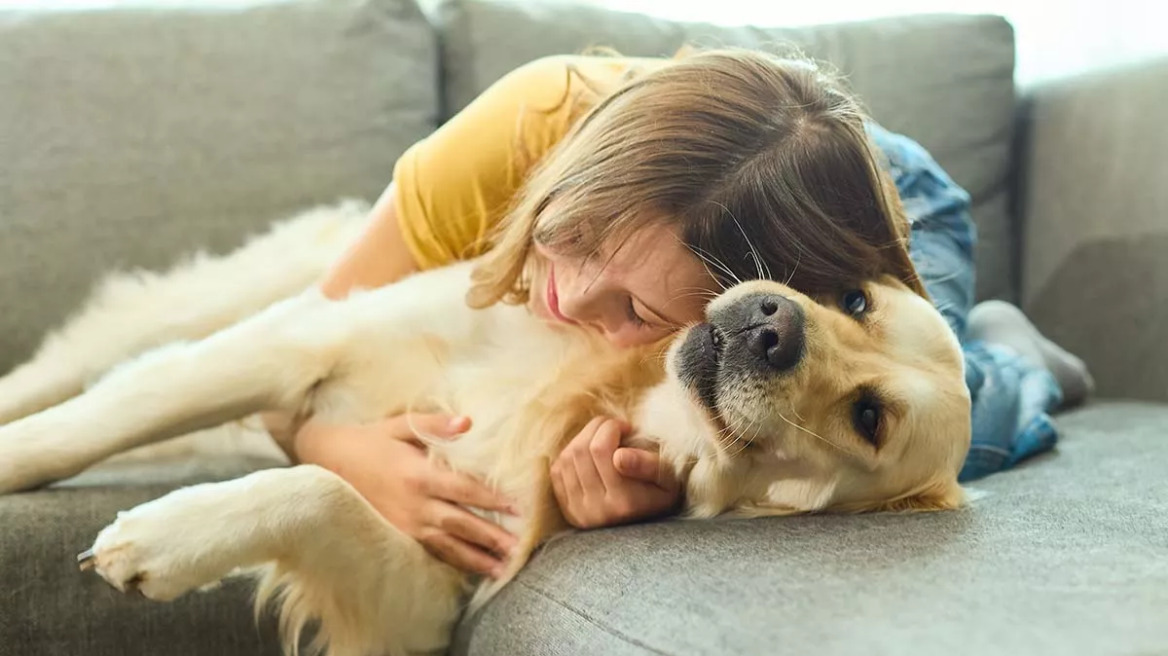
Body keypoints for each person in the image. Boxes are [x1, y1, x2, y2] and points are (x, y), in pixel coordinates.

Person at [269, 49, 1092, 580]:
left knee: (935, 436)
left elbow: (745, 429)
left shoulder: (761, 318)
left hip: (900, 207)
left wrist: (649, 487)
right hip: (767, 162)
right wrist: (334, 449)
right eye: (573, 235)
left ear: (716, 310)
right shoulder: (515, 133)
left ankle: (1006, 351)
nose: (567, 297)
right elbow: (283, 354)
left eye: (635, 307)